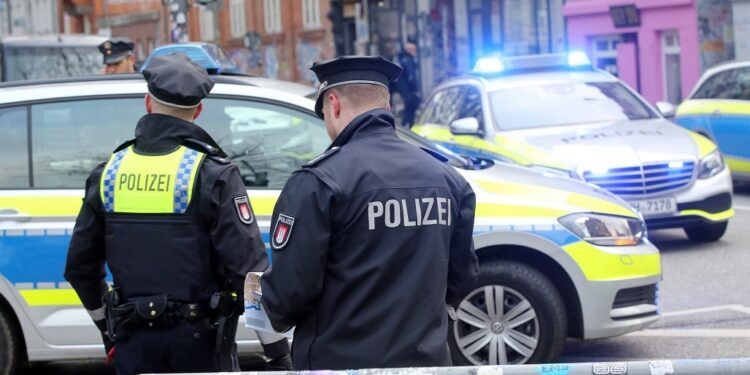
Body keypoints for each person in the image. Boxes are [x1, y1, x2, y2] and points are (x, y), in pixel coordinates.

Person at [64, 53, 290, 375]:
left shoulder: (108, 174)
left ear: (147, 103)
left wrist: (107, 326)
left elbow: (79, 269)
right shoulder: (212, 173)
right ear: (197, 111)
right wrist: (277, 350)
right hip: (200, 348)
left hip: (133, 343)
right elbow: (249, 274)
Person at [261, 56, 479, 370]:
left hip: (341, 363)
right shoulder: (446, 179)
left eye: (323, 113)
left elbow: (287, 297)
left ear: (333, 104)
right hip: (427, 363)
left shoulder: (319, 181)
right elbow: (461, 279)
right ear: (386, 106)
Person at [393, 42, 421, 127]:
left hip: (404, 91)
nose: (415, 52)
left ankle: (405, 125)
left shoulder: (401, 59)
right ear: (409, 50)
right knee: (410, 110)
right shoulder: (407, 60)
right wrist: (415, 90)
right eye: (414, 50)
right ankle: (407, 126)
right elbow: (411, 77)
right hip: (409, 91)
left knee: (408, 109)